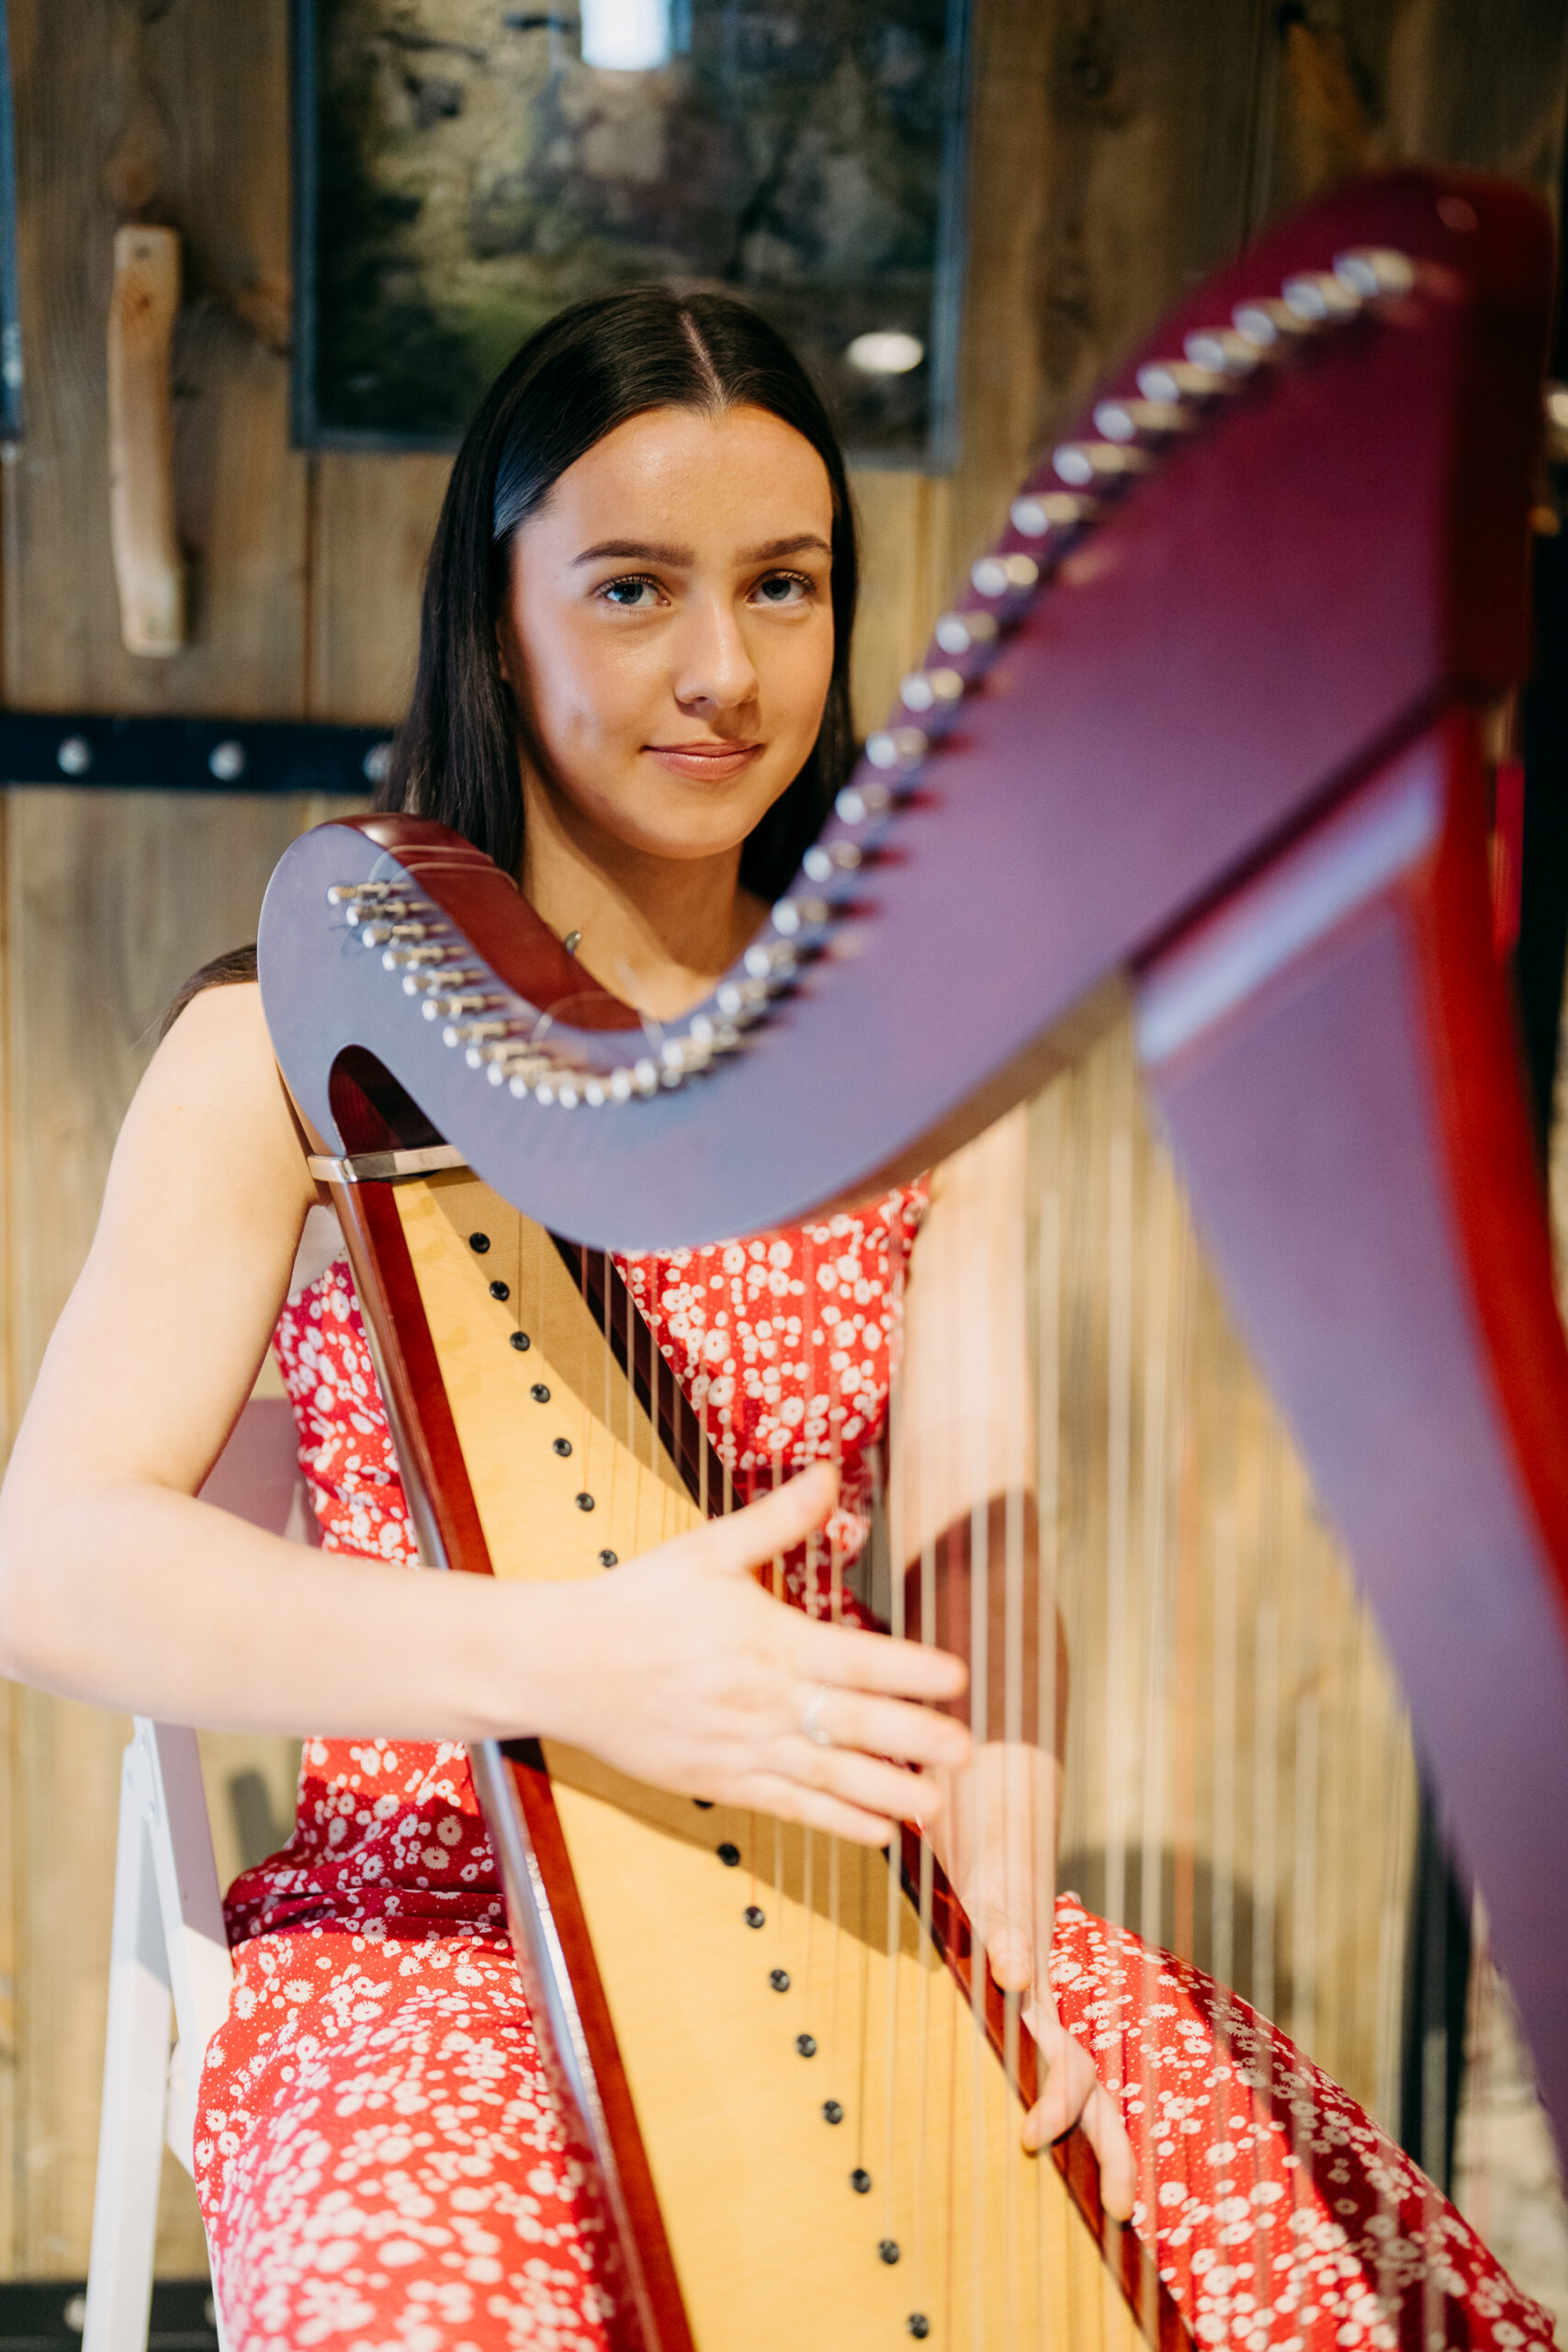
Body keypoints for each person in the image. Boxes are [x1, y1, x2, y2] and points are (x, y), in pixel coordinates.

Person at [0, 288, 1549, 2352]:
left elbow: (976, 1526)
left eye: (784, 586)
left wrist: (995, 1826)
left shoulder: (910, 1059)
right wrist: (579, 1660)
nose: (722, 670)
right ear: (497, 614)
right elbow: (56, 1556)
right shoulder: (281, 1053)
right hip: (429, 1921)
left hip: (850, 1875)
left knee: (1301, 2271)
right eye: (632, 587)